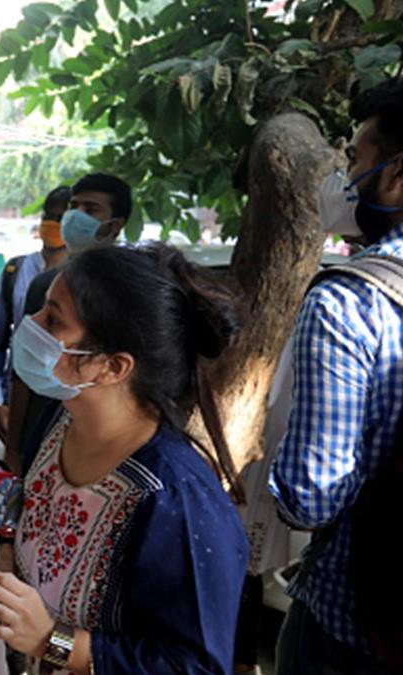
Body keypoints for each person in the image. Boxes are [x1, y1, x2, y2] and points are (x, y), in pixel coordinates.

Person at [0, 243, 248, 674]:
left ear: (113, 367)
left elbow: (193, 666)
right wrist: (5, 569)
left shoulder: (174, 500)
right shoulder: (62, 420)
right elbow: (33, 506)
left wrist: (50, 639)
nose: (29, 324)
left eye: (53, 320)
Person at [270, 78, 403, 674]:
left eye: (354, 160)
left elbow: (311, 498)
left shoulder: (349, 302)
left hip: (352, 628)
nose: (343, 179)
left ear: (397, 174)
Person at [4, 174, 132, 474]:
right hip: (42, 428)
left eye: (91, 209)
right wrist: (13, 447)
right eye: (74, 207)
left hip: (100, 436)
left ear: (115, 225)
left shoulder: (129, 292)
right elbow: (23, 371)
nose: (76, 216)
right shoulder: (45, 285)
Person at [0, 186, 70, 444]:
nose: (51, 224)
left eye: (60, 219)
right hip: (16, 392)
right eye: (48, 216)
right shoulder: (16, 269)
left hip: (59, 399)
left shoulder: (78, 278)